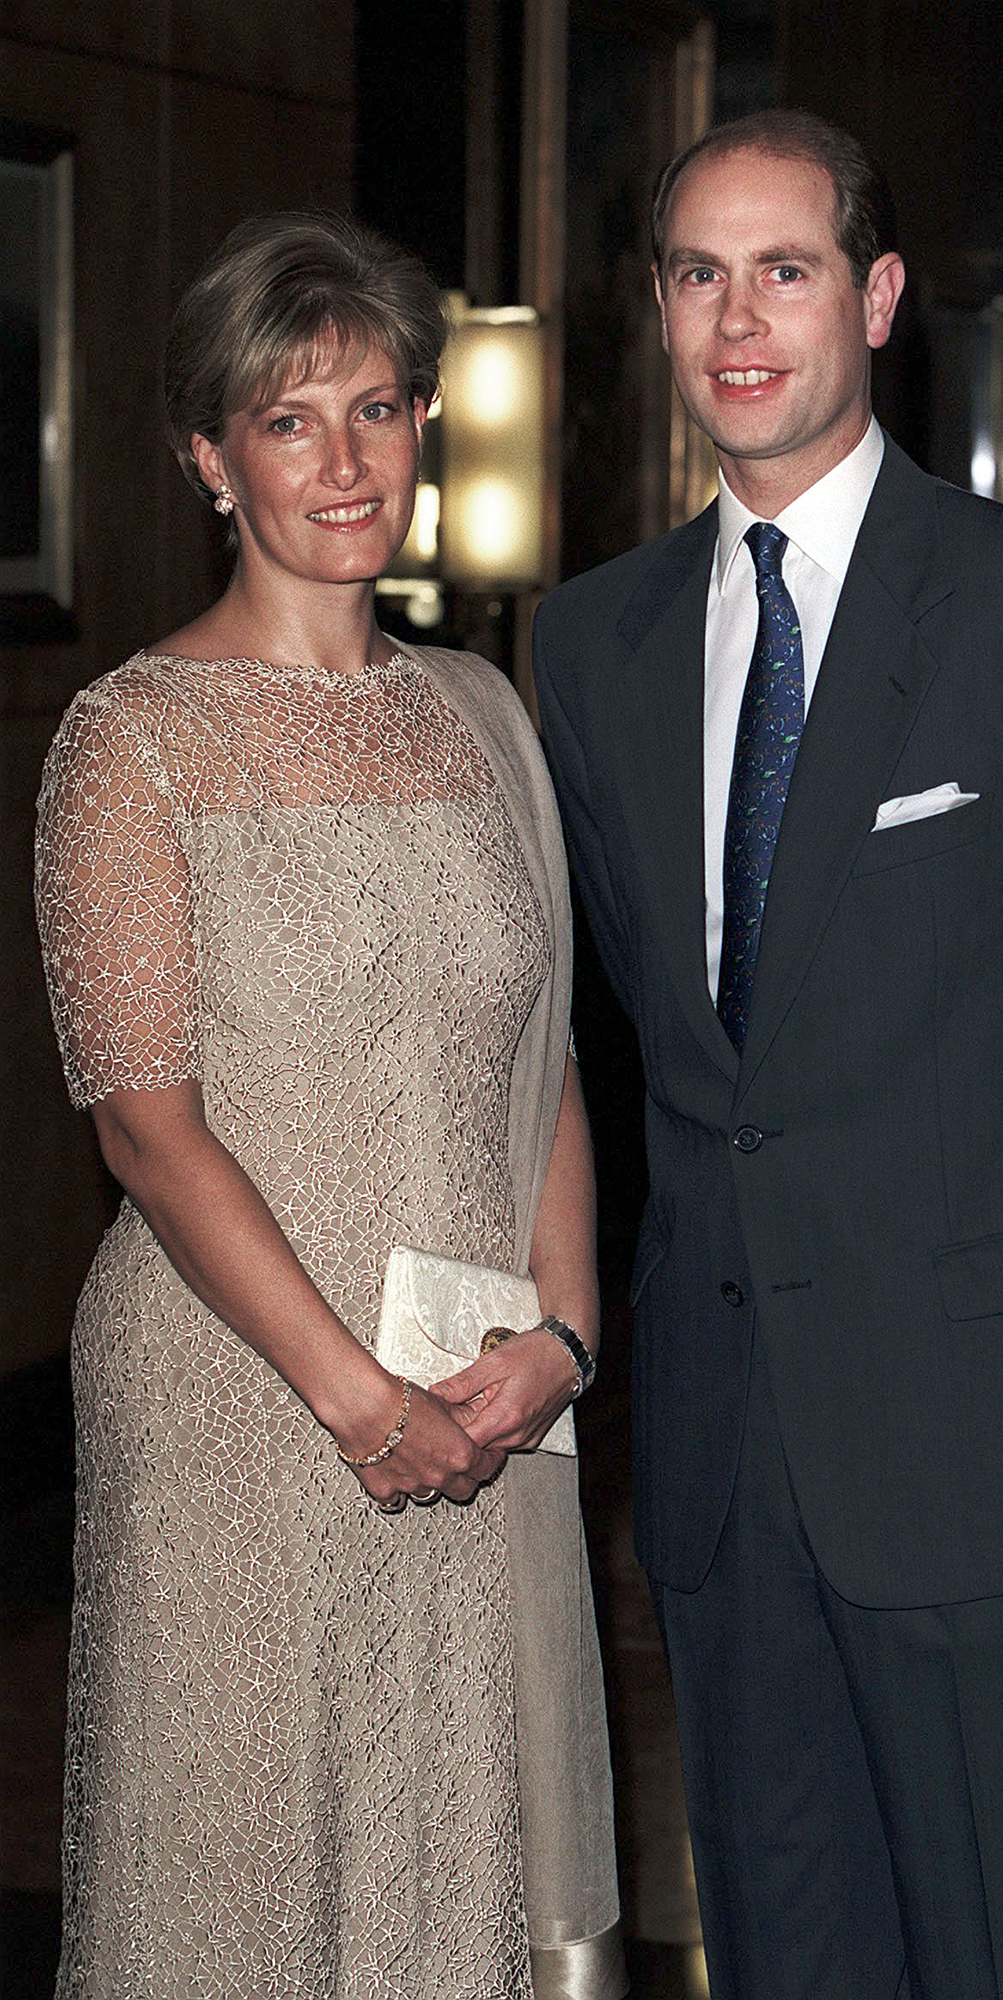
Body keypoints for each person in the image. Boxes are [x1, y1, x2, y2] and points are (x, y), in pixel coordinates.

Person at [533, 109, 1003, 2000]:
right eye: (700, 273)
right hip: (722, 1464)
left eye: (786, 267)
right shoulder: (592, 649)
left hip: (991, 1440)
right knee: (786, 1956)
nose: (740, 318)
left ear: (880, 295)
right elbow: (658, 1027)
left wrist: (976, 1244)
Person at [35, 212, 626, 2000]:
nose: (347, 461)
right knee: (239, 1887)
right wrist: (359, 1401)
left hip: (473, 1394)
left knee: (449, 1877)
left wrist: (567, 1339)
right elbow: (149, 1128)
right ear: (211, 460)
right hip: (245, 1402)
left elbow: (546, 1065)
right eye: (291, 422)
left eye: (378, 408)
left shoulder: (476, 717)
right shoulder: (127, 743)